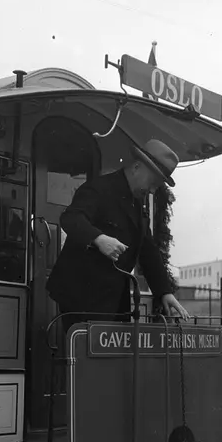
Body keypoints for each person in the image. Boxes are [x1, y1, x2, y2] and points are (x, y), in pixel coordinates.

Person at [46, 138, 190, 331]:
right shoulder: (99, 188)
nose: (152, 190)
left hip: (112, 299)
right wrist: (99, 239)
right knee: (85, 348)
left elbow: (148, 251)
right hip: (81, 295)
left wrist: (165, 292)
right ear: (137, 167)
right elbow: (71, 218)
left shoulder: (137, 204)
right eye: (153, 182)